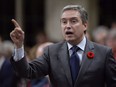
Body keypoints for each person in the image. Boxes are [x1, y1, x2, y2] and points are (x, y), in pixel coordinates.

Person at [10, 5, 116, 87]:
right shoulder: (51, 52)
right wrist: (19, 46)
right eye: (64, 22)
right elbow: (27, 72)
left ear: (85, 25)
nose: (68, 26)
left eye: (73, 21)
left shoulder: (103, 53)